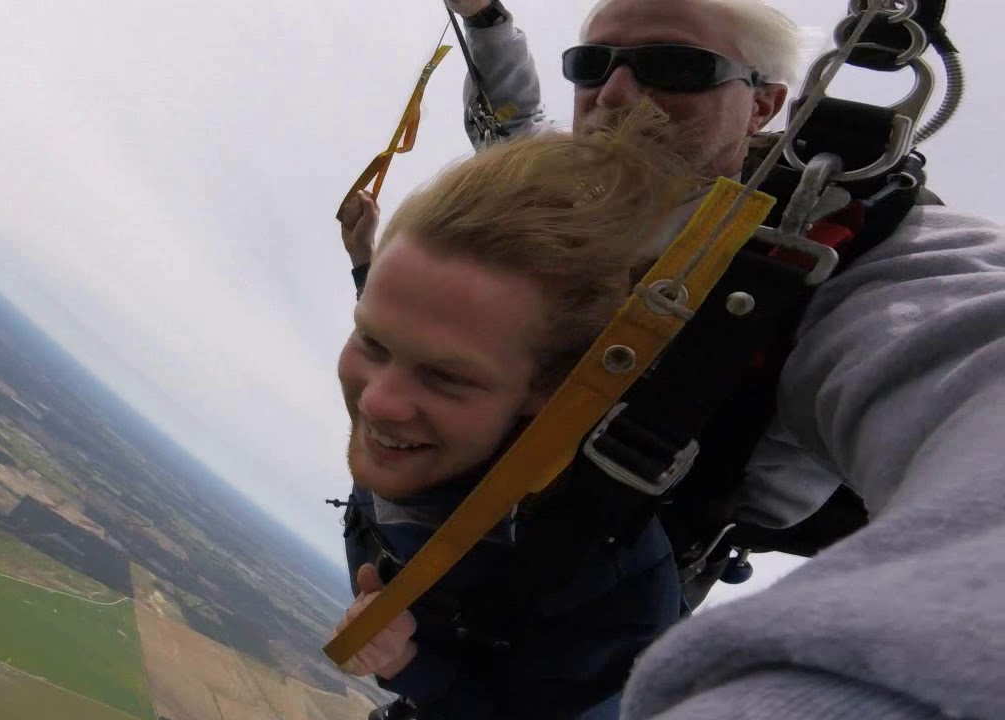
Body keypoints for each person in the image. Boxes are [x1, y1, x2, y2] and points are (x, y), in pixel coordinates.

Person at [339, 0, 1005, 718]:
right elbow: (516, 128)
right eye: (592, 65)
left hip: (588, 626)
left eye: (678, 68)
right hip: (437, 565)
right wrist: (489, 23)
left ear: (765, 104)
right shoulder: (562, 202)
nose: (617, 95)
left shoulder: (836, 254)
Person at [332, 106, 706, 719]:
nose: (378, 401)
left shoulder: (608, 580)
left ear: (550, 388)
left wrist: (408, 665)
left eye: (447, 376)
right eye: (372, 341)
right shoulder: (437, 409)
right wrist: (363, 259)